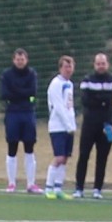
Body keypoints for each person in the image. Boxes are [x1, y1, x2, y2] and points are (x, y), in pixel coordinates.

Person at [75, 51, 112, 198]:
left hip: (108, 124)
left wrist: (100, 100)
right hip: (89, 123)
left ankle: (97, 189)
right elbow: (86, 100)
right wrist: (104, 100)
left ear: (108, 64)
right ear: (94, 65)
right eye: (98, 63)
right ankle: (79, 188)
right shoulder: (87, 80)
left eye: (103, 63)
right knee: (84, 155)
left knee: (103, 157)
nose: (101, 66)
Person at [0, 48, 39, 192]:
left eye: (22, 59)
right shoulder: (7, 75)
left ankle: (31, 184)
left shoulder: (32, 74)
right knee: (12, 147)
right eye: (17, 59)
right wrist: (22, 93)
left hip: (28, 113)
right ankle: (11, 183)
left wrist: (15, 91)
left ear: (26, 60)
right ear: (13, 60)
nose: (20, 62)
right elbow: (4, 94)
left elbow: (32, 92)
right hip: (12, 113)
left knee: (29, 147)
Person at [44, 54, 76, 199]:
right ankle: (48, 187)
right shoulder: (56, 84)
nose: (68, 69)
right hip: (58, 126)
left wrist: (72, 124)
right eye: (66, 67)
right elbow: (58, 106)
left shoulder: (70, 84)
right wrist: (67, 124)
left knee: (65, 158)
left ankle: (58, 188)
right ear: (60, 68)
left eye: (70, 66)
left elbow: (69, 106)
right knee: (58, 157)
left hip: (68, 126)